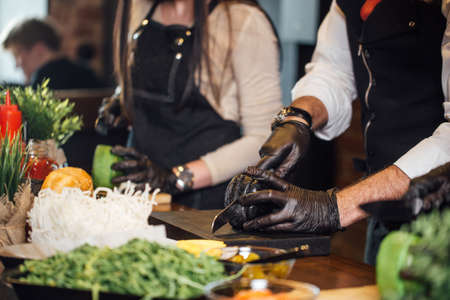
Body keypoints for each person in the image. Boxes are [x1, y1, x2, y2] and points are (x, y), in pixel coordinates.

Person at [227, 0, 450, 265]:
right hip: (384, 213)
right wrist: (297, 119)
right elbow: (333, 71)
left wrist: (334, 208)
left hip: (441, 224)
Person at [99, 0, 282, 209]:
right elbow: (148, 75)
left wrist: (173, 178)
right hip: (137, 198)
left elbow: (265, 140)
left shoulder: (244, 22)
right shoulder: (140, 7)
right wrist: (122, 100)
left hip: (203, 208)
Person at [1, 18, 104, 90]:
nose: (17, 65)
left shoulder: (43, 79)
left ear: (39, 50)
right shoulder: (88, 74)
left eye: (17, 55)